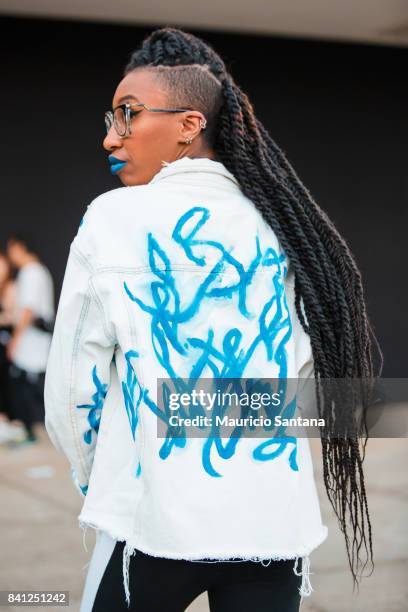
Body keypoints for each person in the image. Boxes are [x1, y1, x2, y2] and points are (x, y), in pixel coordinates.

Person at [44, 27, 382, 612]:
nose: (110, 138)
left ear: (188, 124)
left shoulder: (113, 218)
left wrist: (103, 475)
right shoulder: (286, 222)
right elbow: (308, 385)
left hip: (150, 523)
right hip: (273, 525)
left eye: (127, 115)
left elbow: (73, 388)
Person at [7, 235, 54, 444]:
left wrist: (15, 339)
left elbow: (28, 309)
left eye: (11, 250)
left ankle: (32, 431)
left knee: (30, 387)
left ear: (19, 248)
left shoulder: (31, 272)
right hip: (35, 341)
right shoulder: (38, 271)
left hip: (32, 340)